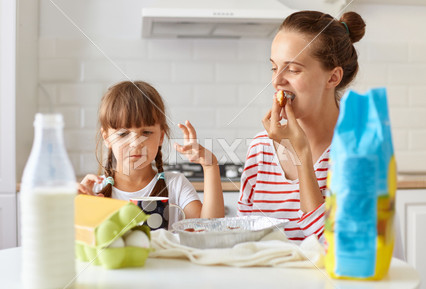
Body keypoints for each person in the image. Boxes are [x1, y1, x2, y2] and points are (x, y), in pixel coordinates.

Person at [238, 11, 366, 243]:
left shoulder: (357, 151)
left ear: (333, 77)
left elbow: (336, 247)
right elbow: (243, 239)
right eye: (274, 68)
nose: (277, 81)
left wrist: (301, 155)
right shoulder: (261, 146)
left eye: (293, 69)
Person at [78, 80, 224, 224]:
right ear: (107, 138)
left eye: (146, 132)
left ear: (161, 137)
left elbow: (210, 228)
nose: (136, 143)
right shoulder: (94, 191)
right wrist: (79, 207)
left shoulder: (175, 185)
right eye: (123, 134)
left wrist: (210, 165)